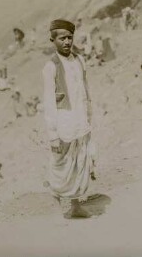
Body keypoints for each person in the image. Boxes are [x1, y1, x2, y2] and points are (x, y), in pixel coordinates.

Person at [42, 19, 96, 219]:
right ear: (53, 40)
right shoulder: (50, 67)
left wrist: (88, 116)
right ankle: (57, 206)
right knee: (60, 164)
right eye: (61, 38)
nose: (66, 42)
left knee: (80, 161)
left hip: (80, 119)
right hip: (62, 121)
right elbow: (49, 102)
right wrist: (53, 134)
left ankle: (75, 206)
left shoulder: (80, 60)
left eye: (69, 37)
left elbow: (84, 91)